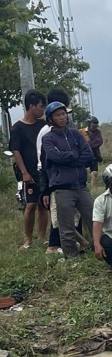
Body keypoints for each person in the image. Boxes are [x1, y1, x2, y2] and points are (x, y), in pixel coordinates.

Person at [40, 101, 95, 258]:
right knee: (66, 226)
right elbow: (54, 157)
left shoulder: (75, 134)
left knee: (93, 218)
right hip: (62, 187)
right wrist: (74, 154)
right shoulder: (48, 138)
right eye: (58, 115)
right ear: (51, 119)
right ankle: (71, 256)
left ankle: (101, 247)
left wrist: (69, 157)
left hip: (81, 186)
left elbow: (88, 154)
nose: (62, 117)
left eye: (63, 114)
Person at [9, 90, 47, 250]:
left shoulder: (43, 125)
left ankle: (43, 238)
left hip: (43, 171)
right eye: (41, 106)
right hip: (28, 172)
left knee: (43, 205)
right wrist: (24, 172)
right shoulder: (17, 128)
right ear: (31, 106)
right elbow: (16, 151)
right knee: (30, 205)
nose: (43, 110)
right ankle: (28, 239)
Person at [79, 116, 104, 185]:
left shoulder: (97, 132)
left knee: (94, 173)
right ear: (89, 124)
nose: (95, 127)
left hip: (94, 156)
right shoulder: (82, 132)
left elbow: (99, 142)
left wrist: (87, 145)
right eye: (93, 125)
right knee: (82, 172)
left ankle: (94, 189)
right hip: (83, 156)